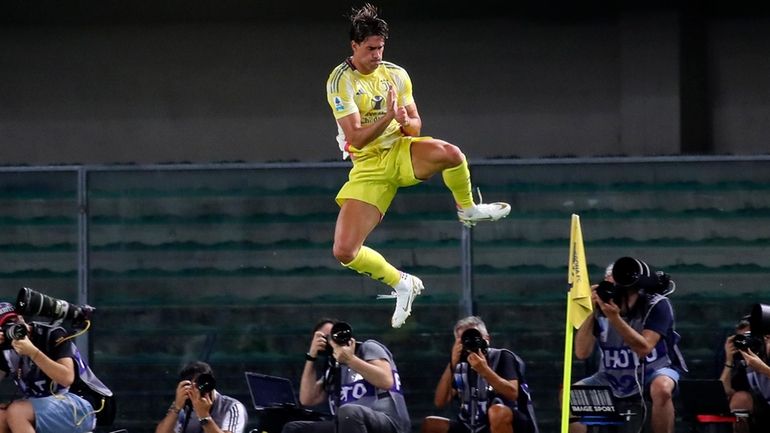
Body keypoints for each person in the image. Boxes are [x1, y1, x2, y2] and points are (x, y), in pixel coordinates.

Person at [325, 3, 511, 328]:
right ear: (354, 46)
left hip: (399, 151)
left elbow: (415, 126)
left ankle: (467, 209)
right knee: (344, 251)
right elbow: (356, 138)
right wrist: (388, 117)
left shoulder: (396, 74)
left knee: (451, 154)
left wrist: (404, 121)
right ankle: (401, 283)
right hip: (368, 166)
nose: (377, 54)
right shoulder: (341, 81)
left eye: (381, 47)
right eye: (370, 48)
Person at [569, 258, 687, 433]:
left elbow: (644, 348)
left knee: (661, 388)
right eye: (607, 286)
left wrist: (615, 318)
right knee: (573, 394)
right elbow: (581, 352)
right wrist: (591, 311)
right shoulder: (601, 307)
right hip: (611, 376)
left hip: (653, 371)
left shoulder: (656, 304)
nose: (611, 292)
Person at [0, 301, 114, 433]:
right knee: (2, 416)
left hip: (81, 404)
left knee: (17, 411)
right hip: (39, 406)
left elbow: (66, 378)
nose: (12, 327)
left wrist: (32, 352)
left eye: (13, 320)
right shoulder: (4, 350)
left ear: (21, 318)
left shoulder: (52, 334)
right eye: (4, 326)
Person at [283, 320, 411, 433]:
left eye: (336, 333)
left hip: (388, 423)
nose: (334, 339)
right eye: (326, 338)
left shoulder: (367, 348)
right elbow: (307, 399)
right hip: (347, 423)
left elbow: (386, 381)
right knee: (294, 428)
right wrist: (311, 357)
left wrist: (351, 360)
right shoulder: (333, 367)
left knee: (348, 412)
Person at [421, 316, 538, 433]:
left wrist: (484, 370)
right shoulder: (460, 366)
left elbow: (512, 393)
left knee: (497, 413)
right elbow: (440, 402)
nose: (471, 343)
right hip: (471, 424)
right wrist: (452, 362)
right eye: (465, 339)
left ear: (487, 338)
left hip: (508, 422)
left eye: (476, 338)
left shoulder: (502, 356)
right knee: (431, 424)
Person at [155, 361, 247, 433]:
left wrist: (204, 416)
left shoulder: (231, 407)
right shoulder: (183, 404)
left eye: (202, 383)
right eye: (193, 385)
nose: (199, 389)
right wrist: (177, 408)